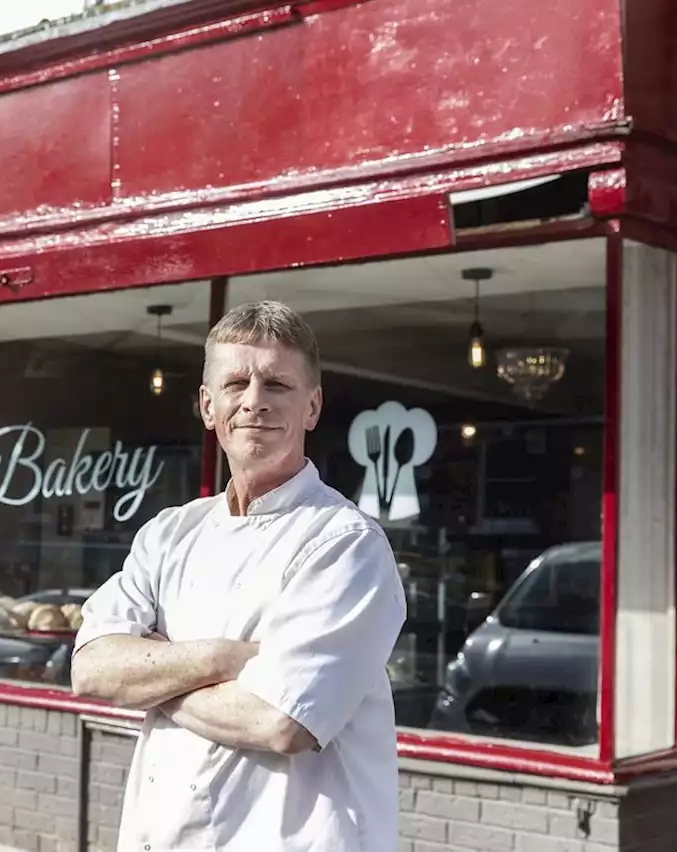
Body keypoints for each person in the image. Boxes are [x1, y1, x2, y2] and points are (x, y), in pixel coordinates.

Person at [70, 300, 407, 852]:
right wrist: (225, 659)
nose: (254, 401)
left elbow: (281, 721)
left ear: (312, 406)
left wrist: (153, 679)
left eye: (277, 384)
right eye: (235, 383)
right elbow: (90, 669)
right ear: (208, 406)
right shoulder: (169, 532)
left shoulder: (345, 545)